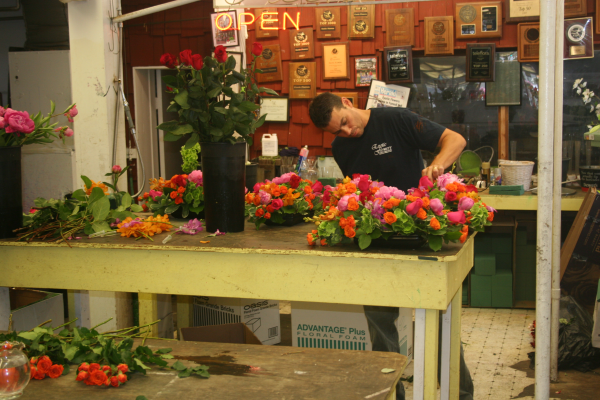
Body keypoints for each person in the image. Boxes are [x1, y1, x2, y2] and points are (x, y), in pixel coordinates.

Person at [308, 92, 473, 400]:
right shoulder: (341, 147)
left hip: (421, 233)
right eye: (336, 131)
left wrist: (436, 166)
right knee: (381, 327)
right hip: (378, 241)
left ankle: (461, 394)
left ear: (347, 102)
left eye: (344, 122)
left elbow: (455, 139)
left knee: (437, 323)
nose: (346, 132)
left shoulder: (395, 120)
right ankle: (391, 395)